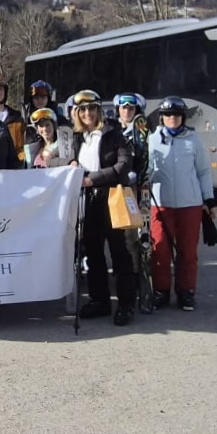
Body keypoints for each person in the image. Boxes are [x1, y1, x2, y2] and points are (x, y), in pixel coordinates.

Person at [69, 89, 135, 326]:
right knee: (93, 252)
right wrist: (71, 162)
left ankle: (126, 304)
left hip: (111, 197)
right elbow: (58, 157)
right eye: (82, 110)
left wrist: (93, 179)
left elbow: (124, 165)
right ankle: (100, 301)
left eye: (91, 109)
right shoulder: (77, 137)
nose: (87, 113)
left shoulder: (114, 134)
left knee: (119, 252)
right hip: (88, 200)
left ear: (98, 110)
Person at [147, 96, 215, 311]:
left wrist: (209, 200)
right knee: (160, 250)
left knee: (187, 251)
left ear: (183, 117)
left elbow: (203, 171)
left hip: (190, 204)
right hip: (161, 203)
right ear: (162, 117)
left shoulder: (193, 140)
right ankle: (161, 291)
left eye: (176, 114)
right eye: (168, 114)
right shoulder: (152, 140)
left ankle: (186, 292)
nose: (172, 118)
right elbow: (147, 169)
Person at [0, 74, 26, 163]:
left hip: (12, 168)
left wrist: (19, 163)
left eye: (1, 88)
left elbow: (21, 148)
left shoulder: (16, 119)